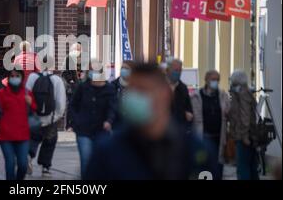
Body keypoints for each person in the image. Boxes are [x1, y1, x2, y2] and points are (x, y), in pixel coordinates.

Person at [84, 63, 219, 180]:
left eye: (143, 90)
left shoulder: (197, 152)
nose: (135, 97)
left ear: (165, 95)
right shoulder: (108, 152)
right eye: (132, 91)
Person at [68, 61, 117, 177]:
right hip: (83, 130)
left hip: (102, 131)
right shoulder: (82, 87)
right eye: (90, 70)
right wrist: (76, 121)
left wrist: (109, 121)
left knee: (101, 163)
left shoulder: (109, 89)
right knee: (86, 161)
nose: (92, 73)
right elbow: (73, 105)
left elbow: (113, 107)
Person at [25, 56, 66, 177]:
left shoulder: (32, 77)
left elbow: (26, 96)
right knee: (49, 142)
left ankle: (28, 156)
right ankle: (45, 167)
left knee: (33, 138)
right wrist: (56, 116)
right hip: (51, 117)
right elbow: (60, 101)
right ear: (52, 65)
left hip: (34, 116)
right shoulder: (57, 80)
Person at [0, 68, 37, 180]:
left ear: (22, 78)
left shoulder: (27, 93)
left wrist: (30, 103)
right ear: (8, 78)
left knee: (23, 165)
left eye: (17, 76)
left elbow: (35, 109)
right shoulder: (2, 94)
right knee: (10, 164)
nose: (14, 78)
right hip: (6, 136)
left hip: (22, 135)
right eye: (12, 76)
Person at [191, 70, 230, 180]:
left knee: (218, 167)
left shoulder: (222, 95)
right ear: (206, 80)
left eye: (217, 80)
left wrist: (229, 112)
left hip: (219, 137)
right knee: (204, 167)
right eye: (213, 79)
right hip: (203, 136)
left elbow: (228, 112)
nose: (215, 82)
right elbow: (194, 115)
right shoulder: (197, 96)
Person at [228, 70, 259, 180]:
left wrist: (244, 136)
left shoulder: (242, 93)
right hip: (245, 135)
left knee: (243, 167)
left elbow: (245, 116)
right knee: (250, 166)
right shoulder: (240, 92)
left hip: (243, 136)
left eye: (231, 79)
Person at [166, 58, 193, 133]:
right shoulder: (160, 86)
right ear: (168, 70)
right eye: (175, 70)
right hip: (164, 130)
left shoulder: (183, 88)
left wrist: (189, 115)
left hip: (180, 130)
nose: (177, 72)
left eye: (179, 70)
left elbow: (188, 108)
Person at [111, 60, 135, 128]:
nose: (124, 70)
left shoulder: (136, 87)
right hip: (116, 122)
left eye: (126, 68)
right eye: (122, 68)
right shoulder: (113, 85)